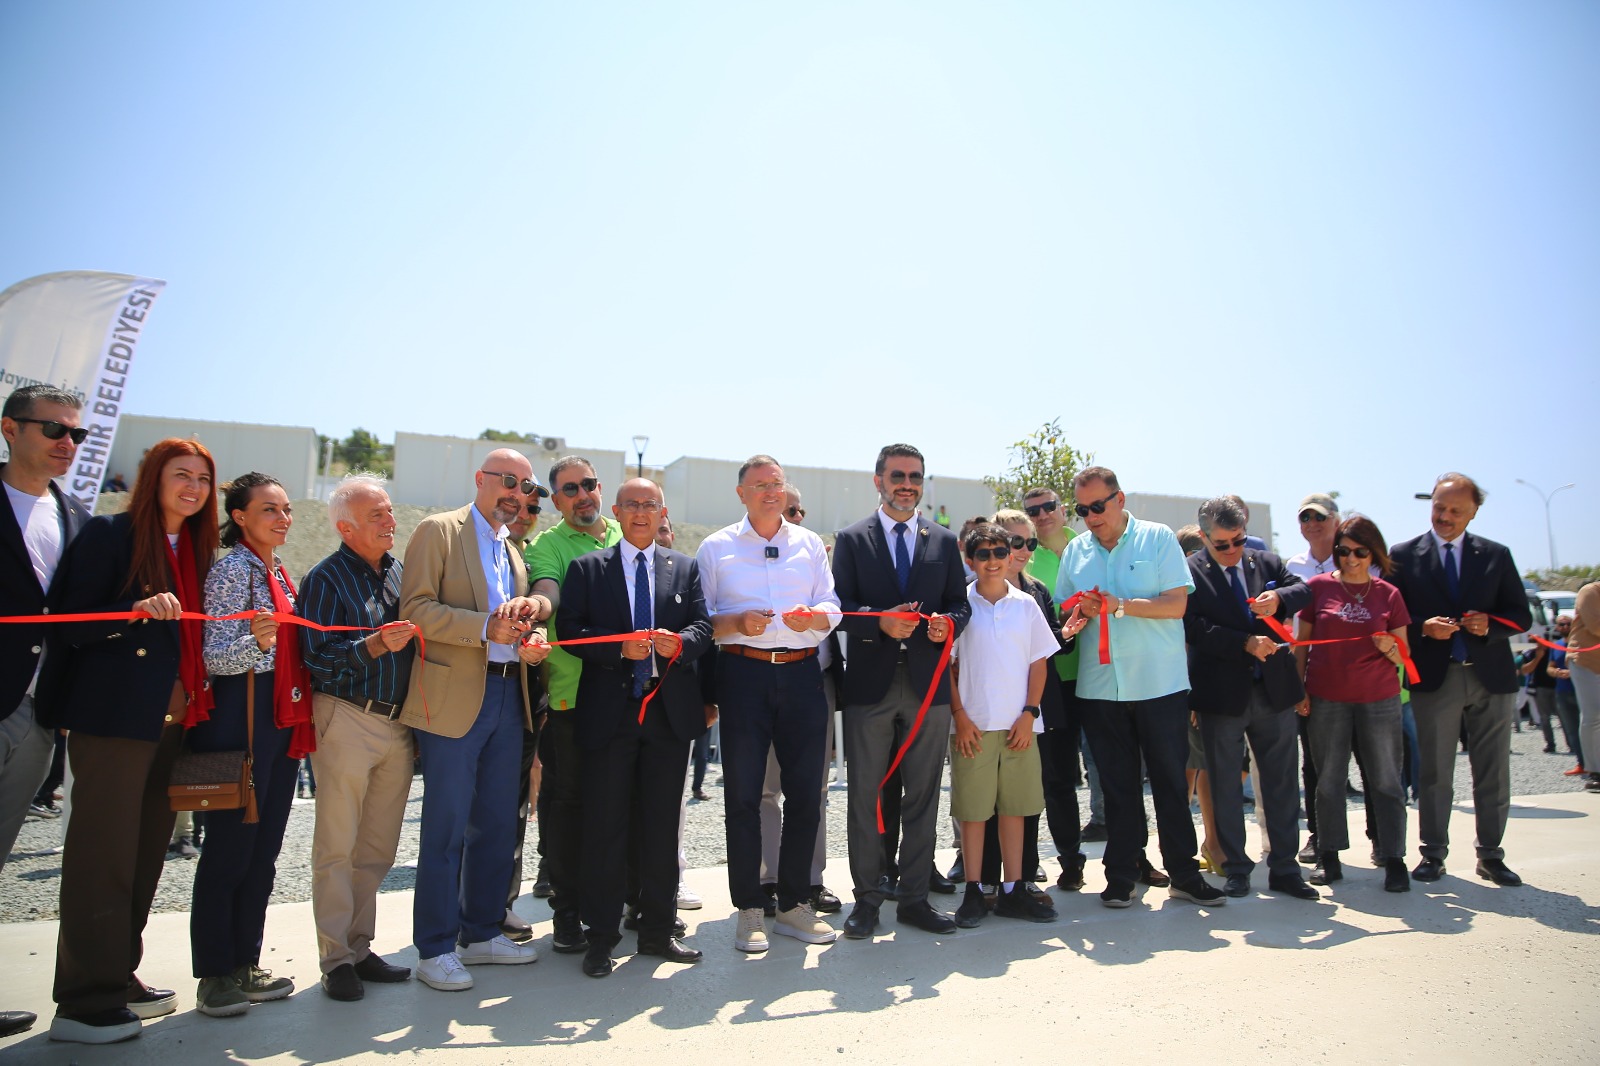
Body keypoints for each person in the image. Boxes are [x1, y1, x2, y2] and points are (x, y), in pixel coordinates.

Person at [40, 437, 215, 1043]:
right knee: (101, 856)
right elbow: (67, 620)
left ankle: (117, 975)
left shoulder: (197, 551)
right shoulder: (108, 535)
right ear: (152, 478)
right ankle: (83, 1004)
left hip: (172, 723)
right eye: (180, 474)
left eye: (202, 478)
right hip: (113, 721)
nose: (191, 487)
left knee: (143, 858)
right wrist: (134, 609)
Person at [399, 450, 548, 990]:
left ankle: (481, 931)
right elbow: (413, 609)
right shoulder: (438, 531)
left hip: (510, 697)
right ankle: (435, 947)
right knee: (445, 829)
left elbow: (511, 627)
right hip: (456, 699)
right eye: (508, 481)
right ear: (481, 480)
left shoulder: (510, 549)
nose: (516, 492)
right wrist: (485, 628)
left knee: (496, 824)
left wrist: (530, 643)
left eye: (525, 485)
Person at [554, 478, 713, 976]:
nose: (641, 512)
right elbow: (570, 632)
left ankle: (657, 932)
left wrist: (680, 643)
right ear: (617, 512)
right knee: (605, 828)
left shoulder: (684, 568)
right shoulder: (587, 568)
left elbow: (704, 627)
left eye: (650, 505)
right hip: (610, 716)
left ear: (661, 512)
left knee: (661, 830)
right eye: (632, 505)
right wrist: (616, 649)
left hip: (667, 718)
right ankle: (601, 937)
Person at [1053, 466, 1224, 909]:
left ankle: (1184, 872)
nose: (1090, 516)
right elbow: (1066, 609)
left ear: (1119, 499)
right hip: (1100, 688)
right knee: (1116, 786)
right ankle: (1121, 875)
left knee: (1170, 782)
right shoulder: (1075, 551)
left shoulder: (1159, 538)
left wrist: (1119, 607)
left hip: (1159, 685)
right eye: (1082, 509)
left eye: (1097, 506)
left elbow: (1176, 605)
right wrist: (1080, 616)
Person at [695, 455, 840, 953]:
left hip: (802, 674)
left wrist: (814, 619)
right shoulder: (717, 548)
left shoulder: (808, 544)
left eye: (776, 483)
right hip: (743, 675)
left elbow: (832, 606)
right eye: (759, 485)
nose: (770, 491)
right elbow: (703, 620)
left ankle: (796, 905)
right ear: (741, 494)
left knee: (806, 795)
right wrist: (737, 622)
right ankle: (750, 909)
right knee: (743, 796)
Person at [831, 445, 969, 939]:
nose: (906, 484)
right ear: (878, 480)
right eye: (898, 476)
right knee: (866, 796)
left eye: (915, 476)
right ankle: (867, 899)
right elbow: (839, 608)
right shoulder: (850, 539)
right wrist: (879, 625)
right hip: (870, 685)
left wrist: (946, 627)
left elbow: (960, 604)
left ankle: (913, 898)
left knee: (924, 796)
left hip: (928, 688)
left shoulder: (944, 541)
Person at [189, 472, 313, 1016]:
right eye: (269, 509)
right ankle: (215, 973)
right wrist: (256, 639)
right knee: (229, 849)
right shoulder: (231, 569)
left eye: (285, 509)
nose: (282, 518)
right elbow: (214, 657)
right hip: (243, 717)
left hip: (278, 718)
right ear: (239, 517)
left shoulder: (278, 570)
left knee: (264, 852)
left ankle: (246, 961)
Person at [297, 474, 420, 1001]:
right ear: (346, 528)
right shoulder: (324, 580)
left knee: (376, 849)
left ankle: (360, 946)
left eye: (390, 512)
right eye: (377, 516)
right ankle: (335, 959)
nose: (390, 522)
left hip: (398, 723)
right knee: (337, 847)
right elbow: (316, 660)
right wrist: (371, 647)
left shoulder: (400, 572)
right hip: (346, 717)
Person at [1388, 473, 1531, 886]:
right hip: (1437, 678)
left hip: (1490, 677)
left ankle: (1491, 855)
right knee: (1433, 772)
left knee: (1493, 771)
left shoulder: (1496, 555)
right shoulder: (1404, 555)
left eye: (1454, 510)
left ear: (1473, 513)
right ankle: (1432, 854)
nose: (1444, 517)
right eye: (1439, 508)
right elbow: (1391, 619)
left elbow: (1518, 615)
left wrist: (1491, 625)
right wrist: (1421, 628)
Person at [0, 386, 88, 1044]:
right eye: (54, 429)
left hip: (38, 713)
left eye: (77, 434)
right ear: (9, 429)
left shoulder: (77, 516)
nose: (67, 443)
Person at [1183, 498, 1318, 900]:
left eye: (1238, 540)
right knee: (1224, 783)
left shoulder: (1267, 562)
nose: (1233, 550)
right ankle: (1236, 867)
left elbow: (1304, 591)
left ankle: (1285, 868)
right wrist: (1244, 642)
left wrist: (1280, 601)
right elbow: (1193, 627)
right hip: (1221, 695)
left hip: (1273, 692)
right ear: (1205, 537)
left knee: (1280, 784)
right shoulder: (1189, 573)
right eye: (1222, 543)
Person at [525, 455, 619, 956]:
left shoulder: (630, 533)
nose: (582, 495)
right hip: (572, 699)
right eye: (569, 489)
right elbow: (548, 592)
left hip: (629, 696)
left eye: (588, 485)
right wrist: (539, 614)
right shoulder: (547, 546)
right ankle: (567, 912)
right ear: (556, 499)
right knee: (568, 809)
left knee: (625, 805)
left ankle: (626, 905)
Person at [949, 523, 1061, 926]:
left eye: (1001, 552)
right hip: (973, 727)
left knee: (1015, 810)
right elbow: (949, 666)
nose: (993, 561)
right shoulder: (960, 606)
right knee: (975, 813)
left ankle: (1014, 889)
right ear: (970, 559)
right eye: (984, 554)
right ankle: (975, 891)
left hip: (1019, 726)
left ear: (1011, 554)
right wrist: (960, 717)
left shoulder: (1026, 605)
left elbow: (1038, 663)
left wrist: (1029, 713)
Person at [1296, 515, 1413, 892]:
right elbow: (1302, 645)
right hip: (1327, 697)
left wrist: (1390, 648)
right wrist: (1299, 689)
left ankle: (1393, 858)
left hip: (1379, 699)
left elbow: (1404, 657)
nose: (1350, 559)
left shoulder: (1388, 594)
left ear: (1373, 553)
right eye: (1343, 551)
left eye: (1360, 552)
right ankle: (1329, 858)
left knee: (1385, 780)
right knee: (1328, 780)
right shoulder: (1316, 589)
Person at [758, 484, 840, 917]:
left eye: (798, 509)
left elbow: (838, 610)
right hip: (763, 682)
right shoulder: (748, 556)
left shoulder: (815, 556)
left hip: (815, 683)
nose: (792, 516)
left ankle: (810, 880)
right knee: (766, 789)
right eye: (785, 508)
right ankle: (769, 879)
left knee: (815, 790)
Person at [1019, 486, 1091, 889]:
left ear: (1064, 510)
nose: (1043, 514)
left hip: (1099, 678)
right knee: (1056, 778)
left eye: (1048, 507)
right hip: (1052, 685)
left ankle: (1131, 858)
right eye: (1034, 511)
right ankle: (1063, 861)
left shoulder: (1090, 548)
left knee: (1114, 773)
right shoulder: (1026, 567)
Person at [1568, 584, 1600, 794]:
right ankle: (1595, 771)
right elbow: (1595, 625)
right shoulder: (1590, 591)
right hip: (1586, 660)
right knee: (1594, 715)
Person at [1545, 614, 1584, 772]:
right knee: (1572, 730)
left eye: (1568, 624)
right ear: (1557, 627)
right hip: (1562, 693)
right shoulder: (1556, 646)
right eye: (1562, 624)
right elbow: (1549, 668)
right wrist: (1557, 672)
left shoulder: (1582, 644)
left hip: (1581, 691)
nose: (1565, 627)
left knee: (1590, 728)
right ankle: (1582, 763)